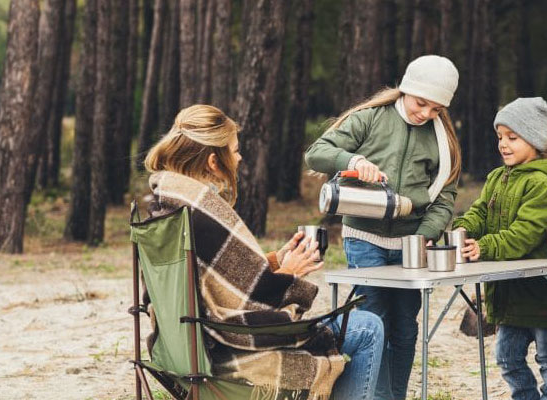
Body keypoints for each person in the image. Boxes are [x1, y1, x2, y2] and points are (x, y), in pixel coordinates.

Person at [143, 104, 383, 400]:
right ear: (213, 162)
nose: (240, 157)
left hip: (186, 347)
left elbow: (211, 280)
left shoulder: (167, 205)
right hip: (230, 348)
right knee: (368, 327)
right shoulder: (203, 214)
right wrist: (289, 273)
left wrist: (273, 260)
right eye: (234, 150)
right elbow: (251, 302)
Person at [304, 55, 461, 399]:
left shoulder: (442, 139)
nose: (426, 114)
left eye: (436, 109)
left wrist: (423, 238)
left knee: (405, 329)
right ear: (406, 90)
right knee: (374, 324)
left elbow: (445, 197)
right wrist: (354, 161)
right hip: (364, 240)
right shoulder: (370, 119)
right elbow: (317, 153)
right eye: (421, 103)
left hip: (412, 243)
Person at [454, 97, 547, 400]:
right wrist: (463, 229)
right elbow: (480, 211)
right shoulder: (496, 177)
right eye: (499, 137)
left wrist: (486, 246)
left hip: (542, 293)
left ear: (533, 139)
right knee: (506, 356)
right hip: (509, 294)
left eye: (512, 137)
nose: (503, 144)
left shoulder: (543, 184)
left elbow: (524, 234)